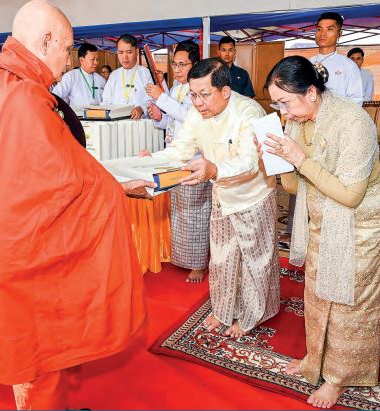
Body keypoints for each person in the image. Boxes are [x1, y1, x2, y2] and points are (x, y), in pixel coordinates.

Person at [0, 0, 156, 409]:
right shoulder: (22, 98)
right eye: (67, 48)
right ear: (45, 41)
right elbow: (65, 180)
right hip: (26, 250)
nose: (69, 59)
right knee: (41, 353)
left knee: (33, 347)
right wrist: (115, 188)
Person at [258, 55, 380, 408]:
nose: (283, 113)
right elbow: (293, 186)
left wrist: (300, 160)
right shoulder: (296, 122)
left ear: (311, 93)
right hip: (321, 218)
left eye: (285, 102)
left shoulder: (353, 122)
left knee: (350, 303)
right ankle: (315, 359)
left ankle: (339, 378)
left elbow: (350, 195)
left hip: (361, 223)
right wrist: (277, 161)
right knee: (318, 296)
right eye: (277, 104)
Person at [142, 58, 280, 337]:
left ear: (225, 91)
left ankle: (252, 316)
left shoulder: (249, 112)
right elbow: (180, 149)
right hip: (221, 195)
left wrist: (214, 169)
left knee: (255, 260)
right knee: (221, 258)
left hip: (253, 196)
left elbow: (249, 163)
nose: (198, 102)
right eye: (193, 95)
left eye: (204, 94)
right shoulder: (197, 113)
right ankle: (222, 310)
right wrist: (150, 160)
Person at [144, 40, 211, 283]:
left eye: (183, 64)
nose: (178, 69)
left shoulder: (199, 89)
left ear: (195, 65)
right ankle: (183, 258)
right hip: (175, 154)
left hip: (195, 157)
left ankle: (199, 264)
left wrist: (161, 98)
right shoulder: (175, 88)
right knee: (180, 212)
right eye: (175, 64)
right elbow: (171, 121)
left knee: (196, 212)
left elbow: (189, 116)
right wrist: (158, 116)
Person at [310, 12, 363, 105]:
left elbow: (356, 100)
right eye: (319, 29)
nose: (322, 33)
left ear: (339, 34)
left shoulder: (349, 65)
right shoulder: (307, 63)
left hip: (339, 113)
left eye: (329, 29)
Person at [102, 34, 152, 119]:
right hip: (116, 122)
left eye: (129, 52)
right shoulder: (114, 75)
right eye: (120, 52)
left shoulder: (146, 74)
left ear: (136, 51)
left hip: (139, 122)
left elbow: (153, 100)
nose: (124, 57)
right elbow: (106, 101)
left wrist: (142, 108)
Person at [52, 42, 106, 107]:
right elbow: (55, 96)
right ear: (81, 60)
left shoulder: (101, 80)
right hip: (78, 113)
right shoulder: (71, 77)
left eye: (97, 59)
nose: (96, 62)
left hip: (99, 113)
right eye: (92, 59)